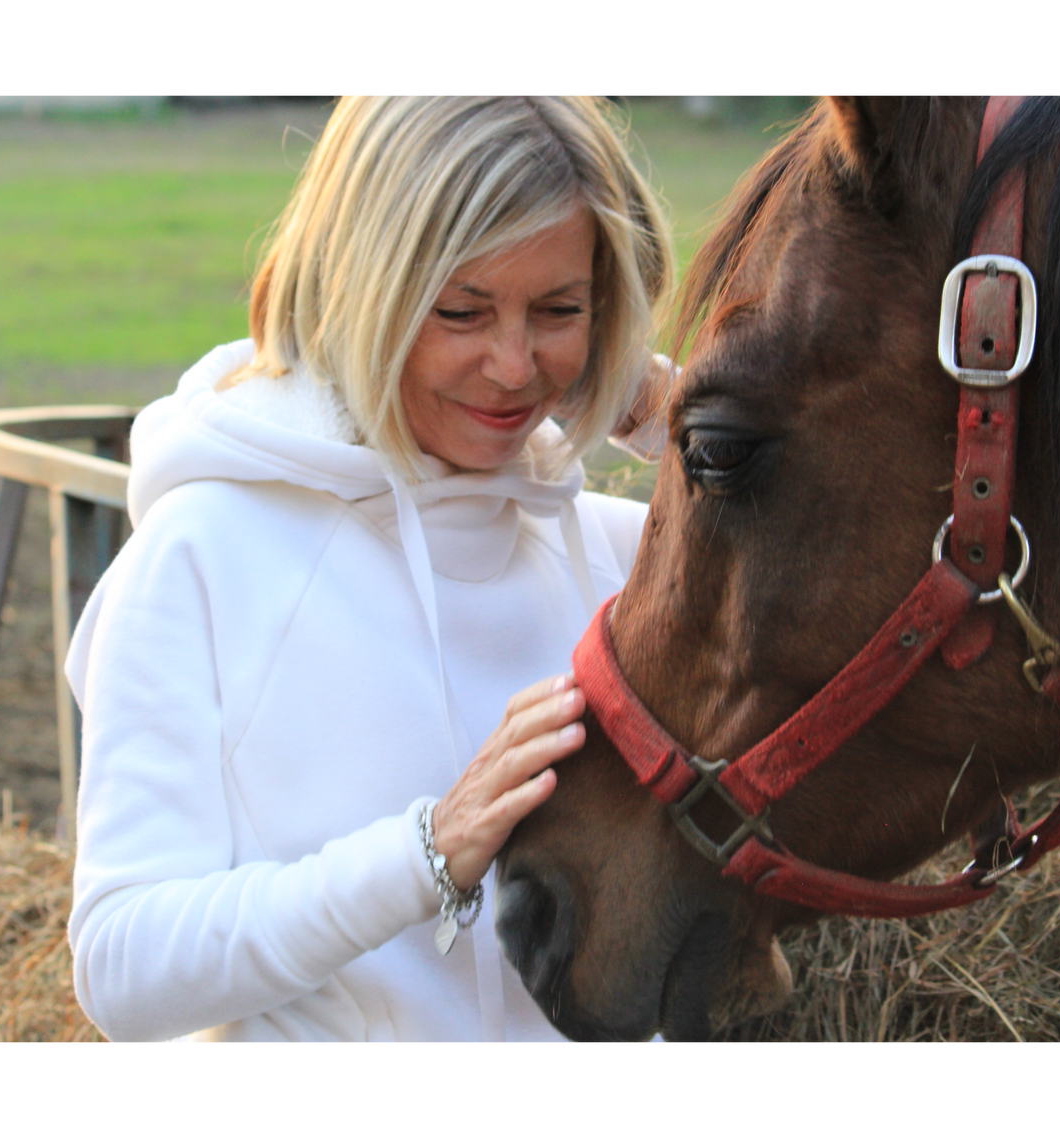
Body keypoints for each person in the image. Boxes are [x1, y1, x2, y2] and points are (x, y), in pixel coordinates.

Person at [65, 93, 675, 1044]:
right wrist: (427, 853)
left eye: (560, 310)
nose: (515, 368)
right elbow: (123, 968)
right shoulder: (203, 554)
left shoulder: (615, 554)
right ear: (361, 286)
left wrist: (674, 416)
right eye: (462, 311)